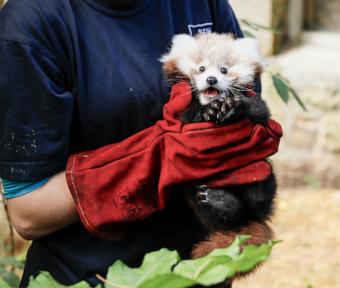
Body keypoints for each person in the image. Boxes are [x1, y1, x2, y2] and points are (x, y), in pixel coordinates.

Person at [0, 0, 262, 286]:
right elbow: (28, 213)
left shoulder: (201, 4)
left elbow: (248, 111)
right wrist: (157, 160)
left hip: (199, 271)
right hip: (92, 276)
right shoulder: (31, 24)